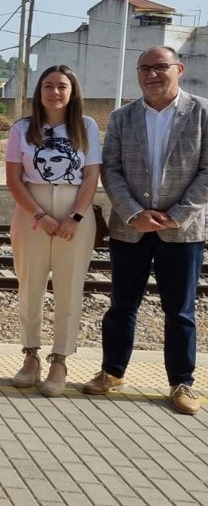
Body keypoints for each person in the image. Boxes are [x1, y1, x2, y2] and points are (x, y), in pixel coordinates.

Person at [83, 46, 208, 415]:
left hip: (181, 230)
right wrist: (134, 212)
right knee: (122, 306)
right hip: (131, 228)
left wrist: (177, 215)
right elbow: (111, 169)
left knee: (180, 310)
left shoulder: (202, 112)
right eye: (144, 68)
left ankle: (181, 382)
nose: (152, 74)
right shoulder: (122, 117)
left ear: (179, 69)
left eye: (160, 67)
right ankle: (112, 372)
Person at [6, 66, 100, 397]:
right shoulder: (22, 128)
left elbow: (91, 176)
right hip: (32, 209)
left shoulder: (86, 127)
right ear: (39, 91)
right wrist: (40, 214)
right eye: (48, 85)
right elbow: (13, 179)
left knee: (69, 287)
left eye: (62, 86)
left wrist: (75, 217)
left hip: (75, 209)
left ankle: (60, 359)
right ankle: (30, 354)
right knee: (29, 284)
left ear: (72, 92)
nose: (55, 92)